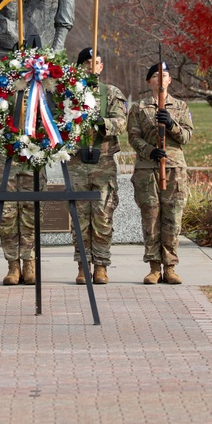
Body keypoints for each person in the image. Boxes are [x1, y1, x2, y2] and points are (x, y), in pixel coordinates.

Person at [126, 61, 193, 285]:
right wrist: (149, 150)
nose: (160, 79)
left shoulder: (181, 107)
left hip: (173, 168)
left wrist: (172, 124)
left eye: (164, 75)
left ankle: (171, 267)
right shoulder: (138, 107)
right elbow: (133, 137)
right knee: (151, 218)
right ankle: (154, 267)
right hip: (148, 169)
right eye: (155, 75)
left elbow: (186, 137)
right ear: (149, 81)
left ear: (170, 80)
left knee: (172, 218)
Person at [67, 47, 127, 285]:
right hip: (77, 161)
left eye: (97, 63)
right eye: (88, 62)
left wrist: (103, 123)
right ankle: (83, 265)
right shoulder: (70, 93)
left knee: (102, 215)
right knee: (79, 218)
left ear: (101, 67)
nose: (93, 66)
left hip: (102, 162)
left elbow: (121, 122)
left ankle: (101, 265)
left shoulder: (110, 93)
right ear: (80, 66)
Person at [0, 153, 45, 286]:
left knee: (31, 213)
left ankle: (29, 264)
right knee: (6, 215)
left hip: (34, 153)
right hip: (3, 152)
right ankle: (13, 266)